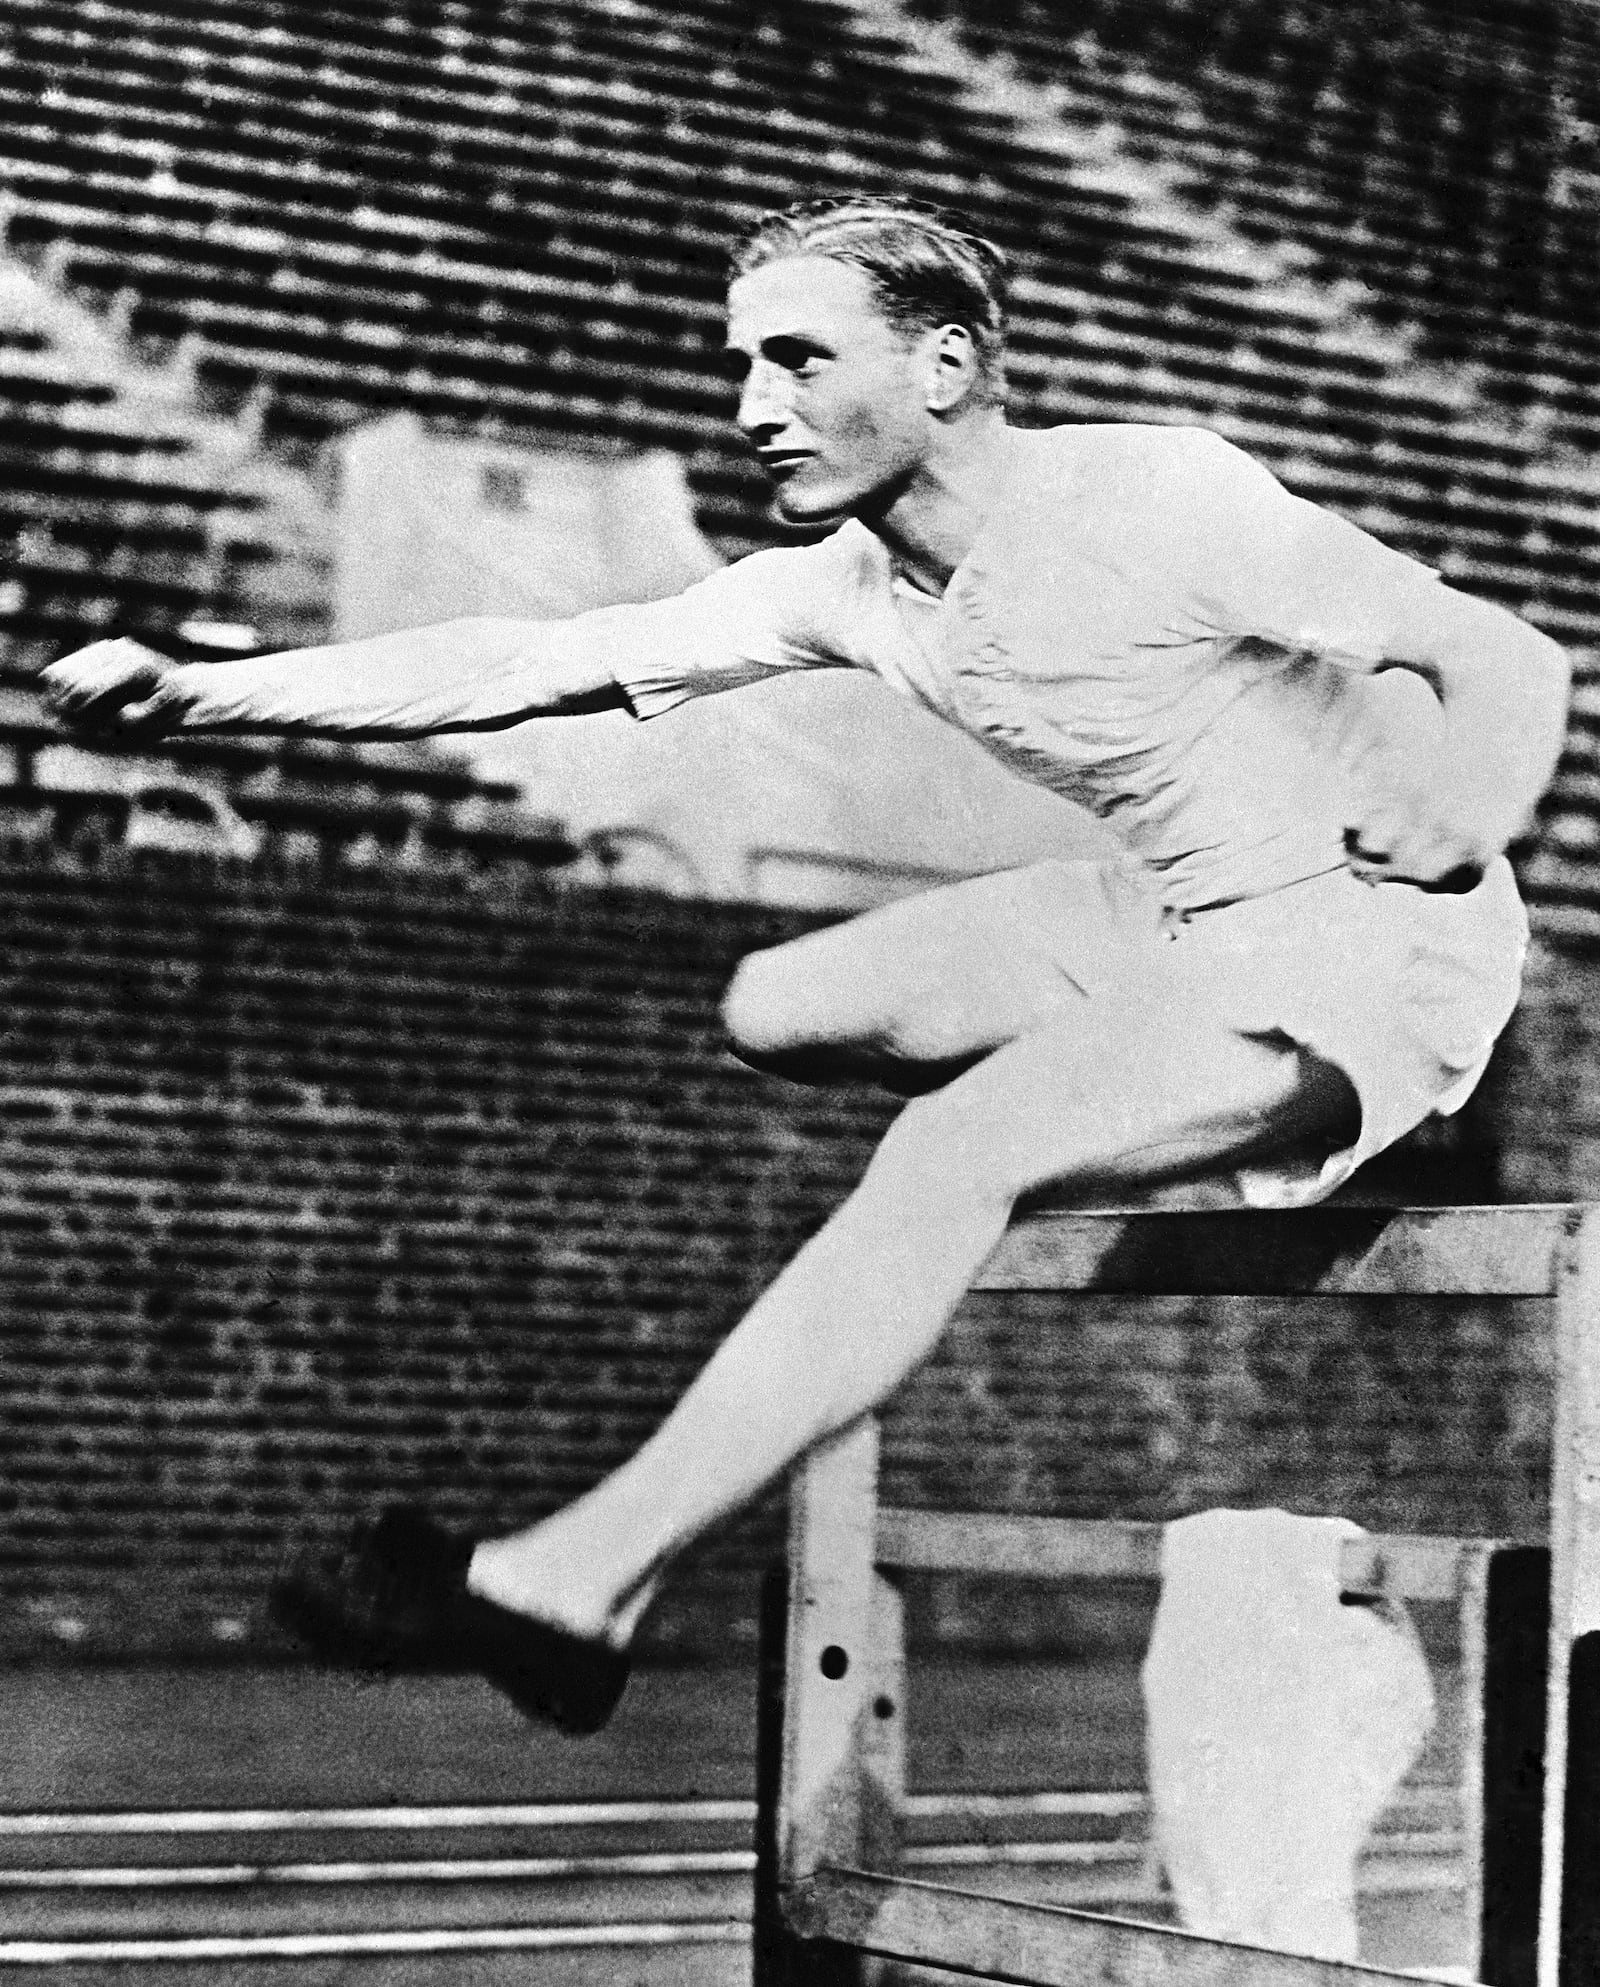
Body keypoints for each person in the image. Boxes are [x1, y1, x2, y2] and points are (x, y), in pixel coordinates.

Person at [42, 196, 1570, 1736]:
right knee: (773, 1004)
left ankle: (575, 1577)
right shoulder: (838, 588)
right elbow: (520, 665)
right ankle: (1104, 1110)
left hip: (1377, 935)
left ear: (948, 365)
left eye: (796, 361)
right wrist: (203, 696)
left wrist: (1468, 810)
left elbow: (1502, 651)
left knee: (950, 1154)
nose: (751, 411)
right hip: (1171, 913)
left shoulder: (1152, 497)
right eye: (742, 366)